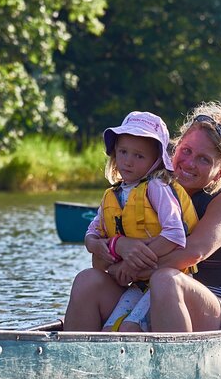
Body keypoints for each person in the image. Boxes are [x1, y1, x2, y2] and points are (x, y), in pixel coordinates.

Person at [63, 101, 221, 332]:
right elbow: (101, 264)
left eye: (204, 159)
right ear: (174, 148)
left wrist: (128, 268)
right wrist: (118, 245)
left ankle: (176, 365)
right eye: (186, 151)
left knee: (165, 279)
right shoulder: (154, 190)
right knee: (88, 280)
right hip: (148, 292)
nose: (189, 163)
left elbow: (190, 254)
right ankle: (76, 361)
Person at [78, 111, 198, 332]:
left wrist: (131, 262)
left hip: (165, 283)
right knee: (109, 331)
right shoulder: (112, 195)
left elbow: (174, 235)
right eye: (123, 152)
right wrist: (98, 246)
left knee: (129, 329)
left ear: (156, 161)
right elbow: (91, 234)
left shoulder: (157, 187)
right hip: (137, 284)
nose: (128, 161)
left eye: (139, 156)